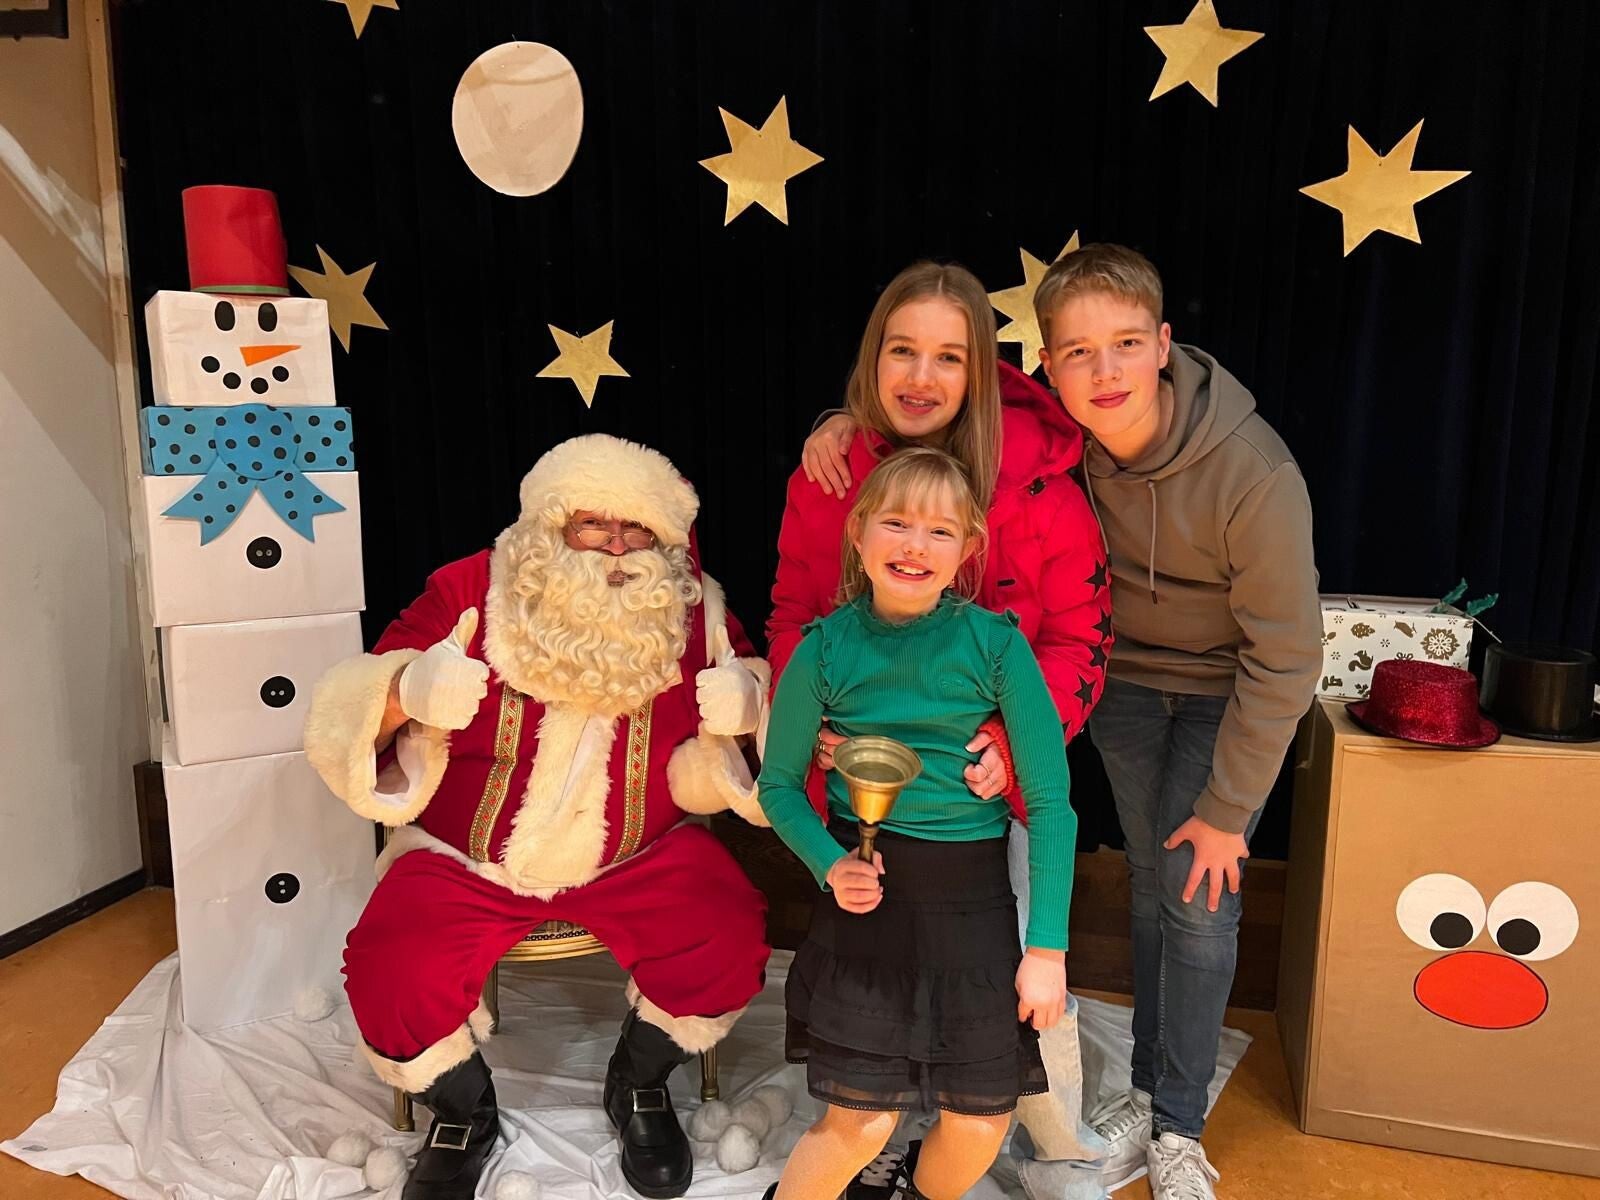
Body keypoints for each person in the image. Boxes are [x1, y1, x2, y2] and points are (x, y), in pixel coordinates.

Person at [302, 434, 774, 1200]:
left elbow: (754, 706)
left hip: (641, 851)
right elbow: (349, 699)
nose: (616, 549)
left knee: (726, 933)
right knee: (394, 968)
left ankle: (639, 1081)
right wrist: (409, 692)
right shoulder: (468, 590)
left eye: (637, 532)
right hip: (468, 856)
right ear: (549, 523)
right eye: (593, 526)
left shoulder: (699, 606)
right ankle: (462, 1110)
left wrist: (750, 700)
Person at [782, 261, 1110, 1198]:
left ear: (982, 371)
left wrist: (1009, 746)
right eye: (902, 351)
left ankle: (1055, 1141)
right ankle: (875, 1128)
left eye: (947, 357)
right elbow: (796, 612)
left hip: (990, 779)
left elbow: (1080, 629)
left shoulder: (1039, 478)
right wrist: (812, 732)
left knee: (1013, 972)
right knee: (882, 978)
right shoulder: (835, 470)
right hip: (885, 795)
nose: (921, 377)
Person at [1032, 243, 1322, 1199]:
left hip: (1225, 690)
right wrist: (838, 421)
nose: (1103, 371)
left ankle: (1179, 1128)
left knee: (1200, 899)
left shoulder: (1250, 469)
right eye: (1076, 352)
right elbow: (935, 408)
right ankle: (1153, 1089)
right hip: (1119, 686)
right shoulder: (1057, 445)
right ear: (1047, 366)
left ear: (1164, 344)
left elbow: (1286, 656)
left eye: (1124, 344)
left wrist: (1232, 807)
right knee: (1155, 879)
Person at [757, 448, 1077, 1200]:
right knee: (860, 1119)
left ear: (969, 549)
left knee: (979, 1122)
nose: (914, 546)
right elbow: (777, 787)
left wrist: (1049, 950)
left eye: (939, 532)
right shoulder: (823, 650)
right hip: (865, 909)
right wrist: (829, 864)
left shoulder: (996, 646)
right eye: (896, 523)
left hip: (973, 908)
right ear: (859, 534)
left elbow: (1052, 804)